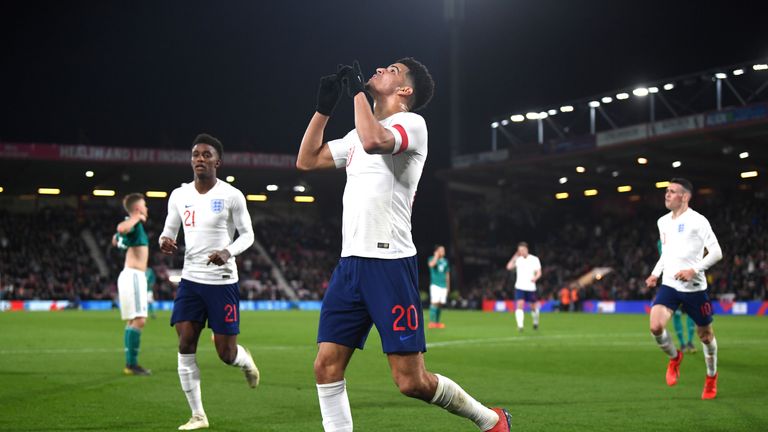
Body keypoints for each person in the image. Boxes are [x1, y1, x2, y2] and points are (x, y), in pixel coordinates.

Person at [296, 59, 511, 432]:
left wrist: (359, 94)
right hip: (350, 265)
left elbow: (374, 141)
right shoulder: (354, 135)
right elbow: (306, 160)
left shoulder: (411, 124)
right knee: (326, 365)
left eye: (392, 70)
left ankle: (490, 420)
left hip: (390, 265)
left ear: (405, 90)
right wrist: (322, 110)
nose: (381, 68)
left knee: (411, 382)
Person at [159, 133, 260, 430]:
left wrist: (228, 252)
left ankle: (245, 361)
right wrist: (165, 240)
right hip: (191, 280)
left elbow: (248, 235)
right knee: (185, 342)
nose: (199, 159)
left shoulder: (232, 195)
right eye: (195, 154)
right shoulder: (179, 195)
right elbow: (169, 230)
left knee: (225, 354)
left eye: (206, 155)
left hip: (223, 282)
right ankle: (198, 415)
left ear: (218, 161)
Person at [645, 178, 723, 400]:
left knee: (705, 336)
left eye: (672, 192)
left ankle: (711, 377)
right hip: (670, 284)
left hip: (694, 288)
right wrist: (655, 273)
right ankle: (675, 357)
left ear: (685, 197)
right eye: (666, 191)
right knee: (655, 326)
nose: (667, 195)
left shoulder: (698, 221)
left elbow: (717, 253)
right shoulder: (662, 222)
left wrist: (693, 270)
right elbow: (667, 253)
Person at [112, 192, 152, 376]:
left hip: (130, 275)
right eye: (144, 205)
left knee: (133, 320)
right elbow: (120, 229)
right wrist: (136, 218)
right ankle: (132, 364)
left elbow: (116, 239)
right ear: (137, 209)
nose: (146, 208)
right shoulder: (134, 222)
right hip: (134, 275)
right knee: (140, 319)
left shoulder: (135, 227)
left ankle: (130, 364)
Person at [506, 242, 542, 331]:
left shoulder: (534, 259)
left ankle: (535, 322)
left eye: (522, 250)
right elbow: (509, 267)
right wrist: (515, 255)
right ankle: (520, 326)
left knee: (533, 307)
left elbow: (539, 272)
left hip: (530, 287)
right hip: (520, 286)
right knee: (520, 305)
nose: (521, 252)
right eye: (519, 250)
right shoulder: (518, 259)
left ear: (527, 249)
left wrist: (535, 278)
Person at [428, 244, 450, 329]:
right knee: (434, 303)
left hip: (443, 285)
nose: (443, 251)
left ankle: (437, 322)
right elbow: (431, 265)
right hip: (435, 284)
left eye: (443, 250)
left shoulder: (445, 261)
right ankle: (431, 322)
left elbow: (447, 274)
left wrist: (448, 286)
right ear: (437, 251)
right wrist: (436, 257)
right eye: (441, 250)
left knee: (440, 304)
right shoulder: (432, 259)